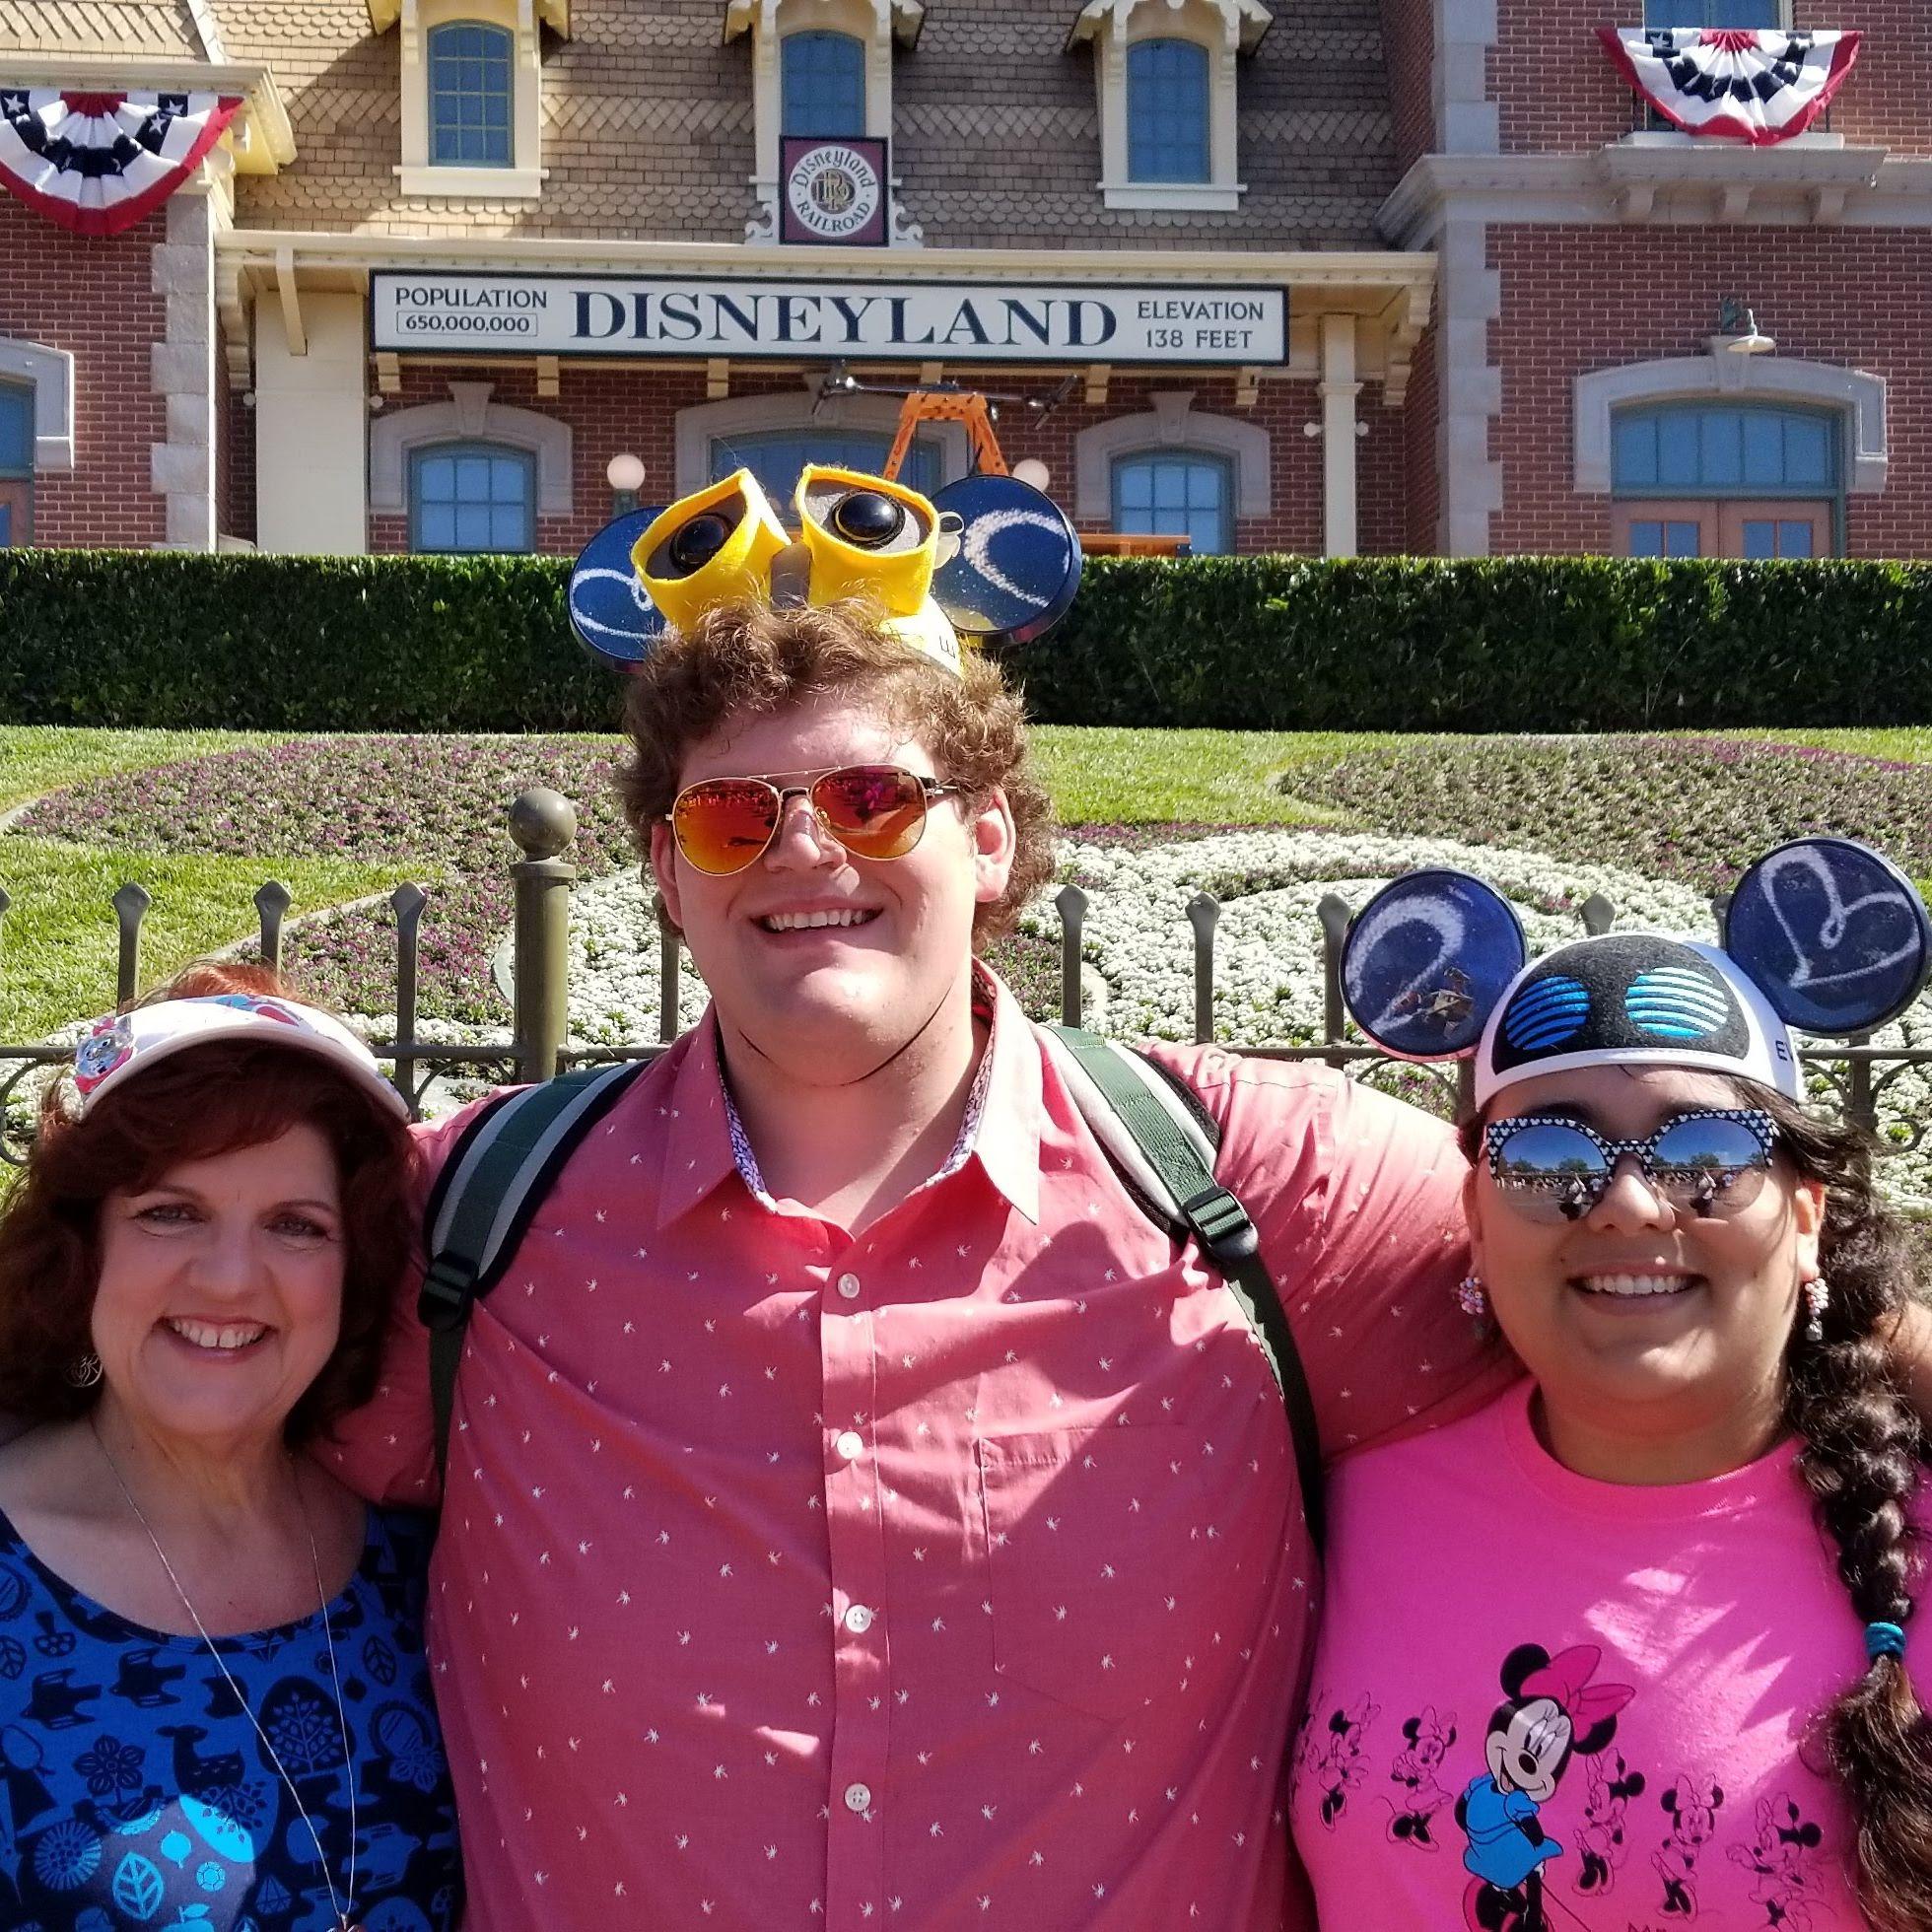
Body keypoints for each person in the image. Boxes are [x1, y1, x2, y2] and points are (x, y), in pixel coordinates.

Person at [325, 473, 1932, 1927]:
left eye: (874, 799)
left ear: (990, 838)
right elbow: (206, 1401)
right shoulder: (479, 1222)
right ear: (669, 874)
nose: (804, 850)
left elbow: (1646, 1255)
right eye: (735, 816)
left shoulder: (1258, 1188)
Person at [1291, 921, 1932, 1930]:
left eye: (1707, 1152)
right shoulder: (1350, 1496)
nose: (1628, 1204)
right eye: (1547, 1156)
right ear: (1475, 1219)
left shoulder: (1910, 1548)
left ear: (1806, 1218)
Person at [0, 965, 460, 1932]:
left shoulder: (423, 1565)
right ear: (83, 1249)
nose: (229, 1278)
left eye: (296, 1226)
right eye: (171, 1212)